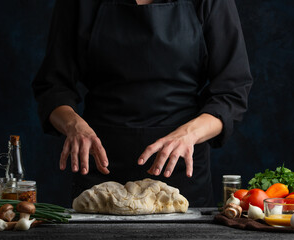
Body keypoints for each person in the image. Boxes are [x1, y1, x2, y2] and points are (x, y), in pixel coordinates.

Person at [32, 0, 253, 207]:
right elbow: (53, 86)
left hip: (178, 171)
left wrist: (189, 134)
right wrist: (73, 125)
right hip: (99, 168)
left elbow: (231, 91)